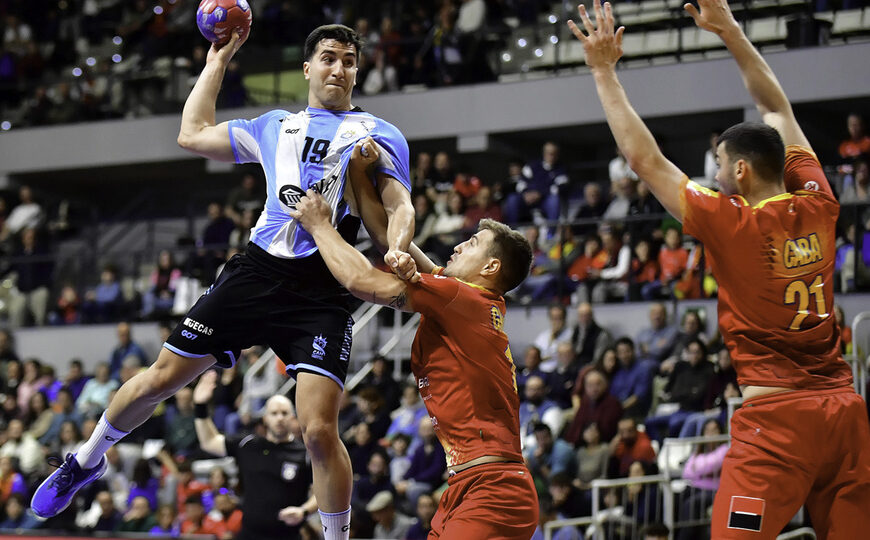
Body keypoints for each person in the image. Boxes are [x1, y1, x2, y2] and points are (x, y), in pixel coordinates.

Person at [30, 25, 415, 540]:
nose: (339, 69)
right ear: (308, 69)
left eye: (349, 60)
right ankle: (86, 459)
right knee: (162, 378)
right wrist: (219, 59)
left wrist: (397, 245)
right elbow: (192, 132)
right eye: (328, 58)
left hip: (323, 287)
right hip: (256, 272)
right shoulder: (275, 124)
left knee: (320, 431)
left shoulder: (379, 132)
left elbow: (399, 204)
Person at [568, 1, 870, 536]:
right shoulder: (820, 202)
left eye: (716, 165)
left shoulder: (731, 223)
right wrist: (730, 30)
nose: (711, 175)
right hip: (846, 415)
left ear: (740, 169)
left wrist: (602, 71)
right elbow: (775, 107)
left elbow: (644, 160)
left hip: (778, 424)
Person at [290, 157, 538, 537]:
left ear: (489, 268)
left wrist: (319, 225)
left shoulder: (460, 298)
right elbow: (387, 236)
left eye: (470, 244)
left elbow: (359, 281)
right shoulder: (468, 299)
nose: (457, 246)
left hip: (492, 488)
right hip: (471, 484)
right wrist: (360, 173)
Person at [193, 373, 318, 540]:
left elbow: (322, 494)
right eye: (274, 413)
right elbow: (209, 441)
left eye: (284, 413)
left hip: (287, 535)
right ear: (265, 418)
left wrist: (304, 511)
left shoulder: (304, 454)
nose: (279, 418)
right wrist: (200, 405)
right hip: (249, 533)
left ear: (292, 418)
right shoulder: (248, 444)